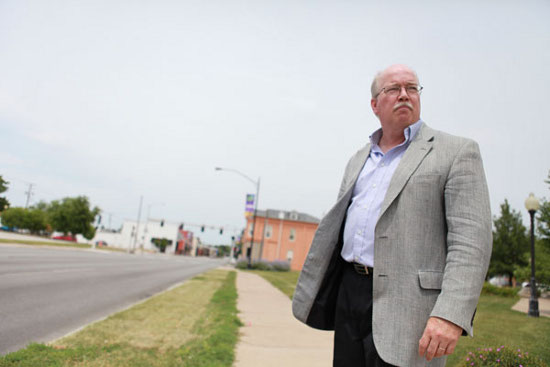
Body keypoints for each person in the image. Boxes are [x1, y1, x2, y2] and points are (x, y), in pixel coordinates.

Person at [292, 64, 492, 367]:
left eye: (412, 88)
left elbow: (471, 243)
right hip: (350, 293)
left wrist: (450, 314)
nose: (404, 95)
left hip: (410, 308)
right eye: (393, 89)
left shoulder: (456, 152)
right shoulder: (359, 159)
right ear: (375, 104)